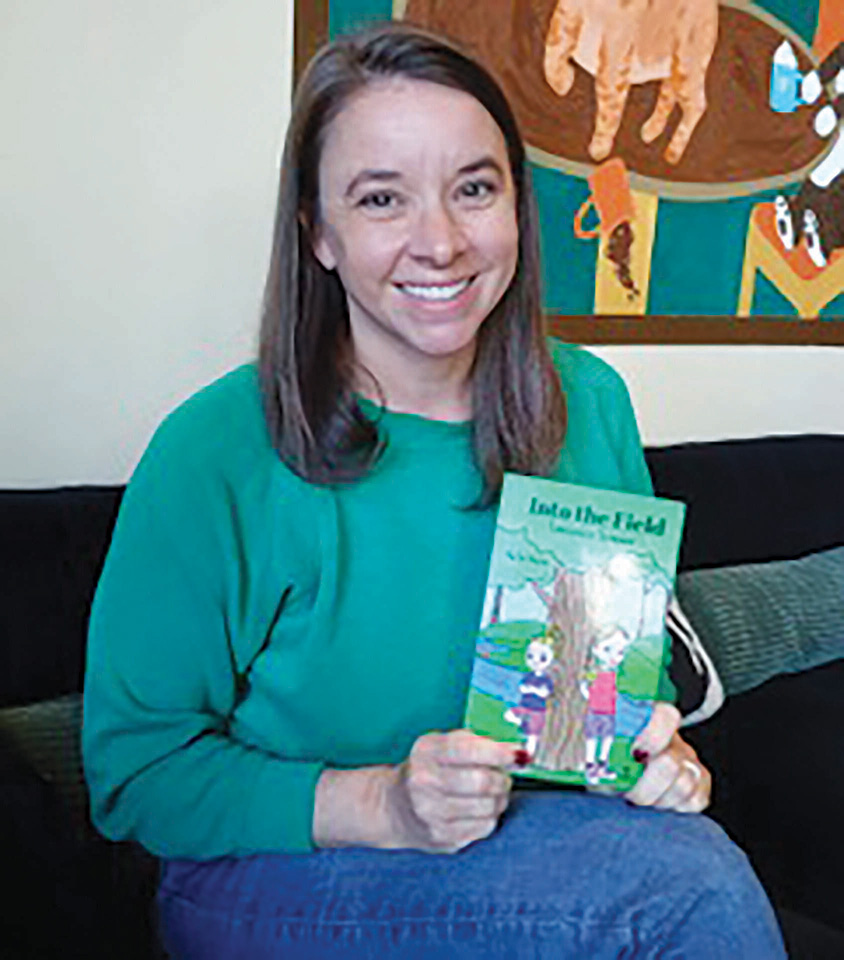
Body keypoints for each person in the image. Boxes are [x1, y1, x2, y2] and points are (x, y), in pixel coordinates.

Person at [82, 23, 786, 959]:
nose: (442, 242)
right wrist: (383, 804)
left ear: (517, 208)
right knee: (683, 891)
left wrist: (656, 766)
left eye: (474, 189)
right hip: (269, 866)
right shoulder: (211, 451)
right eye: (382, 199)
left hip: (525, 846)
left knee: (678, 856)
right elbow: (136, 775)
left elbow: (601, 691)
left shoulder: (589, 403)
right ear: (318, 234)